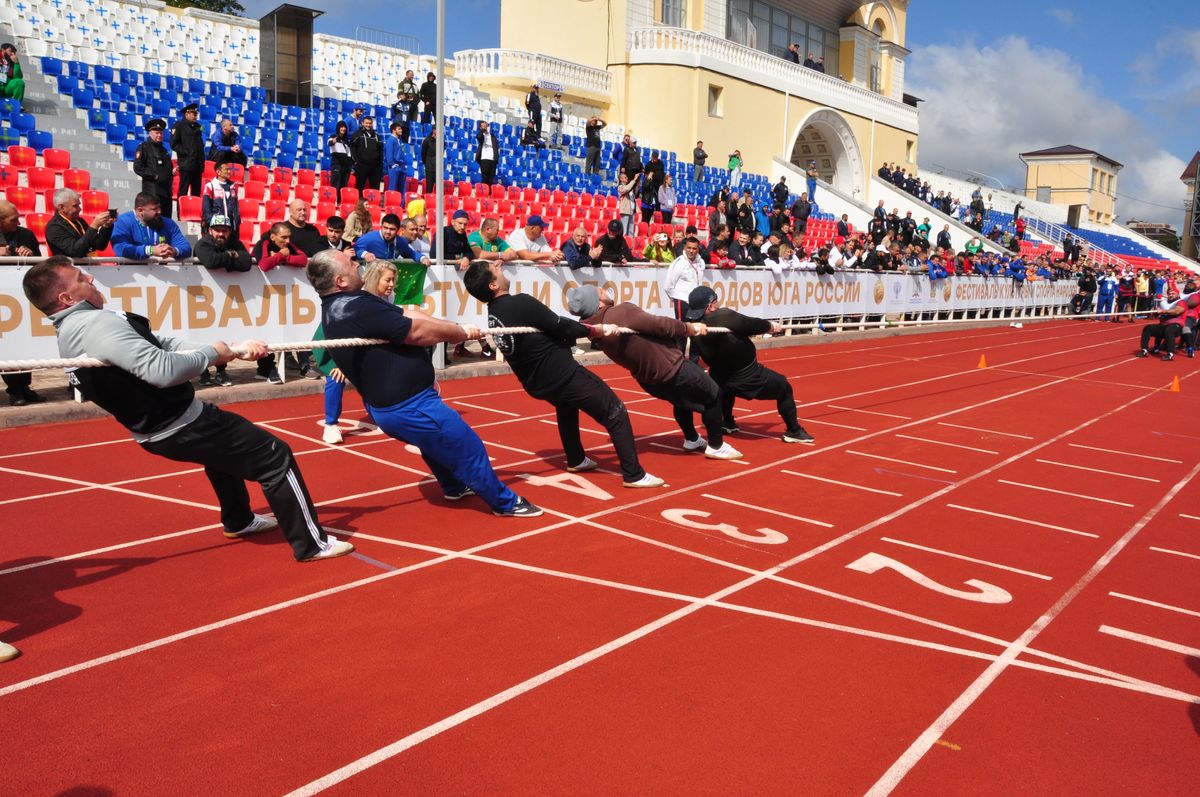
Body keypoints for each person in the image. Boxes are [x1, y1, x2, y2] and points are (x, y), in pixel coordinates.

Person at [23, 256, 354, 560]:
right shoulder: (93, 326)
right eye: (82, 278)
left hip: (168, 426)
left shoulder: (86, 324)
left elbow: (161, 343)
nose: (92, 279)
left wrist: (230, 350)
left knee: (221, 458)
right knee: (274, 455)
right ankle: (313, 544)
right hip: (178, 425)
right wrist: (213, 354)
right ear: (66, 299)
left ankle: (239, 520)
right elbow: (162, 370)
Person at [308, 248, 542, 515]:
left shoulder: (351, 302)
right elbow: (416, 332)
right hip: (408, 406)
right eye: (349, 263)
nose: (356, 262)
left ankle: (453, 486)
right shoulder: (354, 307)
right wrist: (457, 333)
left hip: (398, 404)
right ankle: (505, 503)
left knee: (432, 443)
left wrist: (454, 326)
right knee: (468, 446)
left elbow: (406, 315)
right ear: (340, 281)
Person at [464, 261, 664, 487]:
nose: (500, 266)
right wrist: (596, 330)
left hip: (537, 383)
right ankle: (634, 474)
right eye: (496, 269)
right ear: (493, 285)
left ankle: (576, 458)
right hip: (561, 375)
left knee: (566, 406)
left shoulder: (494, 311)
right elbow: (559, 325)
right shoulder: (519, 303)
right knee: (615, 411)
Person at [568, 285, 741, 460]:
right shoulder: (621, 312)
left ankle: (692, 439)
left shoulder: (593, 331)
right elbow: (659, 325)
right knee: (714, 393)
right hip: (670, 366)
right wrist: (688, 328)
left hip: (649, 380)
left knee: (682, 401)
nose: (604, 290)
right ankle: (716, 446)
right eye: (600, 292)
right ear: (598, 304)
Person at [686, 287, 813, 443]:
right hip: (748, 377)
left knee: (724, 387)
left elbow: (695, 358)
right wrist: (770, 326)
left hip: (720, 378)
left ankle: (727, 422)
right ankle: (794, 431)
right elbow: (749, 324)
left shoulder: (693, 327)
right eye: (716, 302)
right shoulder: (722, 316)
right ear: (710, 306)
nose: (718, 305)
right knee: (784, 387)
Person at [315, 260, 397, 444]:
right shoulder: (356, 300)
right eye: (388, 280)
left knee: (371, 380)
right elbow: (334, 333)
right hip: (336, 347)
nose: (392, 284)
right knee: (336, 377)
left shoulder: (389, 298)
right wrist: (339, 363)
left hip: (364, 347)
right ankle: (331, 425)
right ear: (376, 279)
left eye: (393, 280)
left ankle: (380, 416)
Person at [194, 214, 251, 387]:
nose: (220, 234)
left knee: (222, 334)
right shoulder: (203, 243)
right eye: (217, 230)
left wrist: (227, 258)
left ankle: (221, 371)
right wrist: (231, 257)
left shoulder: (234, 242)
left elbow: (247, 262)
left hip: (225, 297)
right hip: (201, 296)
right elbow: (210, 261)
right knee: (202, 335)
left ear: (229, 232)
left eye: (224, 231)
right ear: (210, 230)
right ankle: (203, 371)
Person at [0, 199, 45, 405]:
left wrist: (30, 255)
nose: (18, 221)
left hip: (21, 296)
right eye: (13, 219)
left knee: (22, 342)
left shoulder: (26, 235)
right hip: (4, 301)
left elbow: (38, 264)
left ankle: (24, 387)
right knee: (8, 345)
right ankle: (14, 390)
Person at [111, 193, 191, 260]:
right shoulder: (122, 221)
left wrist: (174, 251)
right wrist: (150, 250)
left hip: (163, 273)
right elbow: (120, 248)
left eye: (159, 207)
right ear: (140, 210)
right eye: (154, 209)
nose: (159, 212)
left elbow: (186, 247)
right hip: (130, 273)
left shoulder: (167, 223)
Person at [46, 188, 114, 258]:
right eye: (75, 206)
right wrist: (94, 227)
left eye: (79, 205)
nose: (80, 209)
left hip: (88, 266)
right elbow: (75, 251)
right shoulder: (54, 228)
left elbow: (99, 245)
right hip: (68, 267)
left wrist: (106, 227)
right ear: (62, 207)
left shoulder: (79, 221)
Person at [133, 118, 174, 219]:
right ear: (150, 133)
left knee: (166, 219)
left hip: (166, 191)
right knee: (154, 219)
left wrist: (172, 172)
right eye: (156, 133)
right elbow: (138, 167)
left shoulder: (164, 150)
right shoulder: (143, 147)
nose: (159, 135)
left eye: (161, 133)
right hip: (152, 191)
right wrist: (154, 176)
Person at [1136, 288, 1191, 361]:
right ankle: (1144, 350)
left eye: (1173, 294)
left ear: (1178, 294)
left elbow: (1177, 311)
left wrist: (1164, 311)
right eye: (1169, 294)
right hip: (1164, 326)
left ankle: (1170, 354)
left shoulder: (1181, 302)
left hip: (1177, 326)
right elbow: (1158, 314)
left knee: (1169, 330)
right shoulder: (1164, 303)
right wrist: (1154, 313)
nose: (1171, 295)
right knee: (1148, 328)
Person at [355, 213, 428, 264]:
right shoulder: (369, 238)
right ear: (381, 226)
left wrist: (422, 258)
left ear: (398, 230)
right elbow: (356, 249)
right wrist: (365, 254)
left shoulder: (401, 242)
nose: (388, 231)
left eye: (392, 229)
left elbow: (411, 253)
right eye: (385, 228)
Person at [171, 103, 205, 202]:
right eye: (193, 113)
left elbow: (199, 145)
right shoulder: (179, 126)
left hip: (197, 165)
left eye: (196, 113)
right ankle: (181, 214)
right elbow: (174, 143)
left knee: (196, 193)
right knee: (183, 192)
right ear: (186, 114)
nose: (195, 116)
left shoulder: (198, 127)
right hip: (186, 164)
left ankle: (195, 213)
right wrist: (186, 152)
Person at [200, 160, 240, 236]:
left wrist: (237, 222)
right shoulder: (210, 186)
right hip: (216, 228)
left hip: (231, 227)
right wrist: (213, 222)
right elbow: (206, 208)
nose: (229, 172)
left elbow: (236, 208)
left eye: (229, 169)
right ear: (218, 172)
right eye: (226, 169)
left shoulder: (233, 186)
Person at [349, 116, 383, 191]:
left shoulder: (376, 136)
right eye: (366, 123)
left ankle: (374, 202)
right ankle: (360, 202)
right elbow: (352, 148)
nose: (368, 125)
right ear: (362, 123)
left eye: (370, 123)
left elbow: (381, 150)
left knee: (375, 189)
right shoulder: (357, 134)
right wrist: (356, 161)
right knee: (359, 187)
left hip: (374, 167)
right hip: (361, 166)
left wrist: (379, 163)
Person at [327, 121, 354, 201]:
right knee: (335, 185)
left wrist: (350, 166)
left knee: (343, 185)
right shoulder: (333, 136)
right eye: (341, 127)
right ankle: (332, 202)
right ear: (338, 128)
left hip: (346, 167)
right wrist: (333, 141)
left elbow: (349, 154)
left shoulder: (346, 140)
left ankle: (339, 202)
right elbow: (329, 143)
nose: (343, 129)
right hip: (337, 165)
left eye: (344, 127)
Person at [475, 120, 500, 186]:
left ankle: (489, 194)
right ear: (480, 128)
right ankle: (484, 194)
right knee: (485, 179)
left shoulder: (493, 136)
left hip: (493, 160)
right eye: (483, 126)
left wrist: (496, 159)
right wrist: (483, 130)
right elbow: (479, 136)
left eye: (486, 126)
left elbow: (496, 147)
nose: (486, 127)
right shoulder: (481, 135)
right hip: (484, 159)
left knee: (491, 179)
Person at [384, 121, 407, 193]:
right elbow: (389, 153)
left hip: (401, 166)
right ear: (394, 130)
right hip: (394, 167)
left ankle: (402, 204)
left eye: (401, 129)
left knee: (402, 188)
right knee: (393, 188)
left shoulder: (399, 140)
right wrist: (392, 165)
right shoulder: (390, 140)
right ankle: (391, 203)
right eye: (399, 129)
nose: (401, 130)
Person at [617, 172, 640, 236]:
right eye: (625, 177)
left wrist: (637, 187)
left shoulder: (629, 187)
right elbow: (627, 188)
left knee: (631, 230)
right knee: (624, 230)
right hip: (625, 210)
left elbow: (634, 197)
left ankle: (630, 243)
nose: (627, 178)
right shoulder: (620, 187)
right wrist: (634, 179)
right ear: (621, 179)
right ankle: (622, 244)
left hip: (632, 210)